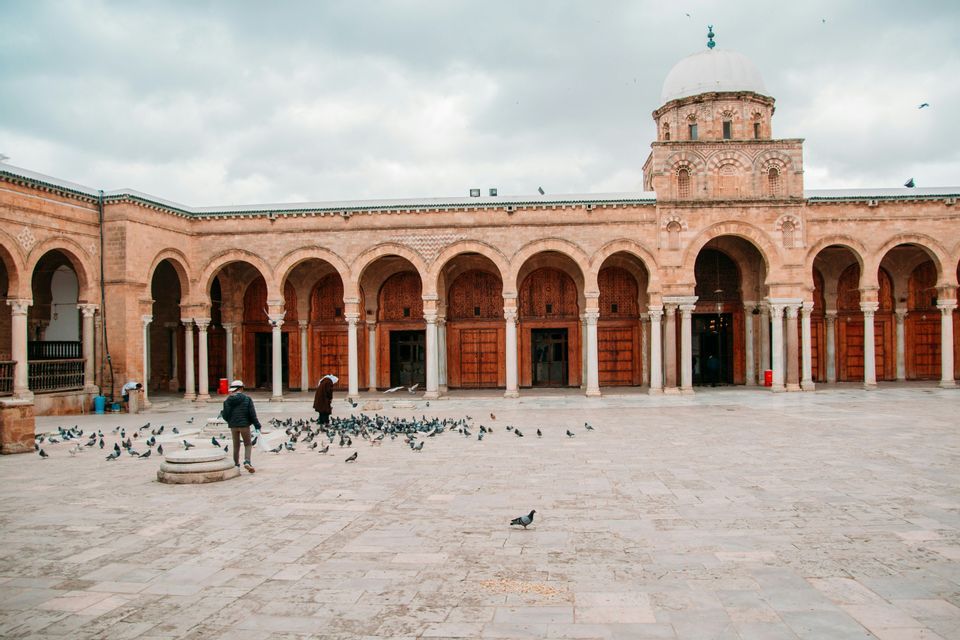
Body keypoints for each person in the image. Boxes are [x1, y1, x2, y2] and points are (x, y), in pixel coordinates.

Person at [221, 380, 261, 473]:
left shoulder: (227, 400)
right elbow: (252, 414)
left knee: (236, 445)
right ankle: (247, 461)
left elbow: (225, 415)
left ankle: (236, 464)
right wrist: (257, 425)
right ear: (241, 388)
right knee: (248, 444)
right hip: (244, 425)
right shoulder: (247, 399)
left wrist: (231, 421)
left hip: (233, 426)